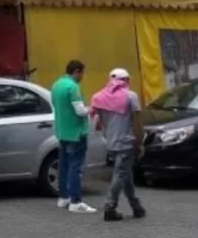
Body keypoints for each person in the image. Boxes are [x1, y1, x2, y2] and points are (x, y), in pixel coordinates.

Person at [91, 68, 146, 222]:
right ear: (126, 80)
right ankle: (110, 207)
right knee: (121, 174)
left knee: (125, 174)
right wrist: (140, 142)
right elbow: (137, 122)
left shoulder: (99, 97)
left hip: (111, 143)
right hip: (126, 143)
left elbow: (97, 122)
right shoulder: (130, 96)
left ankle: (136, 206)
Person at [51, 60, 96, 213]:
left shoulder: (57, 85)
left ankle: (64, 198)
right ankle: (76, 202)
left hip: (62, 131)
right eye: (82, 73)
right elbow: (80, 110)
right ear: (76, 71)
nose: (83, 76)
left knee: (63, 166)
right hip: (76, 133)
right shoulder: (73, 87)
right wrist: (91, 109)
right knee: (75, 167)